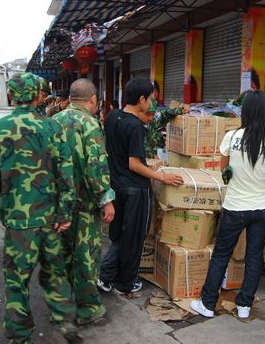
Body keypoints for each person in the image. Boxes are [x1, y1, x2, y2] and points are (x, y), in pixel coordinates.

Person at [0, 72, 80, 343]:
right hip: (50, 219)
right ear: (38, 96)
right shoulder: (53, 127)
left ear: (11, 96)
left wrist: (7, 191)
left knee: (17, 280)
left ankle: (20, 335)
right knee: (55, 274)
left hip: (18, 221)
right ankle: (67, 323)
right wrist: (65, 212)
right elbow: (67, 173)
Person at [191, 91, 265, 319]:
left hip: (235, 207)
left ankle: (207, 304)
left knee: (221, 255)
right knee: (254, 256)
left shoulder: (232, 136)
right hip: (262, 208)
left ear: (246, 112)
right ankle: (244, 305)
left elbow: (224, 169)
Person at [98, 79, 183, 297]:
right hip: (135, 189)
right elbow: (134, 164)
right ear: (142, 99)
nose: (152, 102)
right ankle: (122, 282)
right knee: (133, 238)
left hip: (116, 186)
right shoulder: (135, 126)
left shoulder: (112, 117)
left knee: (119, 235)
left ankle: (108, 276)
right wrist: (163, 178)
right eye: (151, 98)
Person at [53, 79, 116, 325]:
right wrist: (105, 199)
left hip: (58, 204)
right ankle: (88, 308)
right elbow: (95, 167)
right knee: (86, 256)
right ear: (93, 99)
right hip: (84, 205)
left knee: (60, 257)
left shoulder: (53, 121)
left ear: (70, 98)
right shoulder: (90, 124)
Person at [142, 93, 188, 158]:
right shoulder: (134, 126)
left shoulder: (153, 121)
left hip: (152, 159)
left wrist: (180, 110)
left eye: (153, 114)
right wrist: (151, 156)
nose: (151, 118)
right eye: (147, 114)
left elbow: (165, 115)